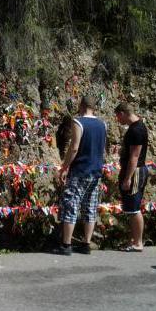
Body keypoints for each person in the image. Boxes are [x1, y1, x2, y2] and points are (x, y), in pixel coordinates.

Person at [53, 95, 107, 256]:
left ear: (81, 105)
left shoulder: (78, 122)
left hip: (80, 170)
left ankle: (66, 244)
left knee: (71, 204)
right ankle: (86, 244)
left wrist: (64, 167)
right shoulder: (102, 124)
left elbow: (74, 148)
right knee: (90, 206)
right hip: (96, 170)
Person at [115, 102, 149, 252]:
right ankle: (134, 240)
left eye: (117, 117)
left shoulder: (136, 130)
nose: (117, 120)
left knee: (134, 208)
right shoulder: (135, 127)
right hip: (133, 170)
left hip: (135, 172)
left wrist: (128, 178)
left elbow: (134, 156)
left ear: (122, 113)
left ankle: (138, 243)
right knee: (130, 208)